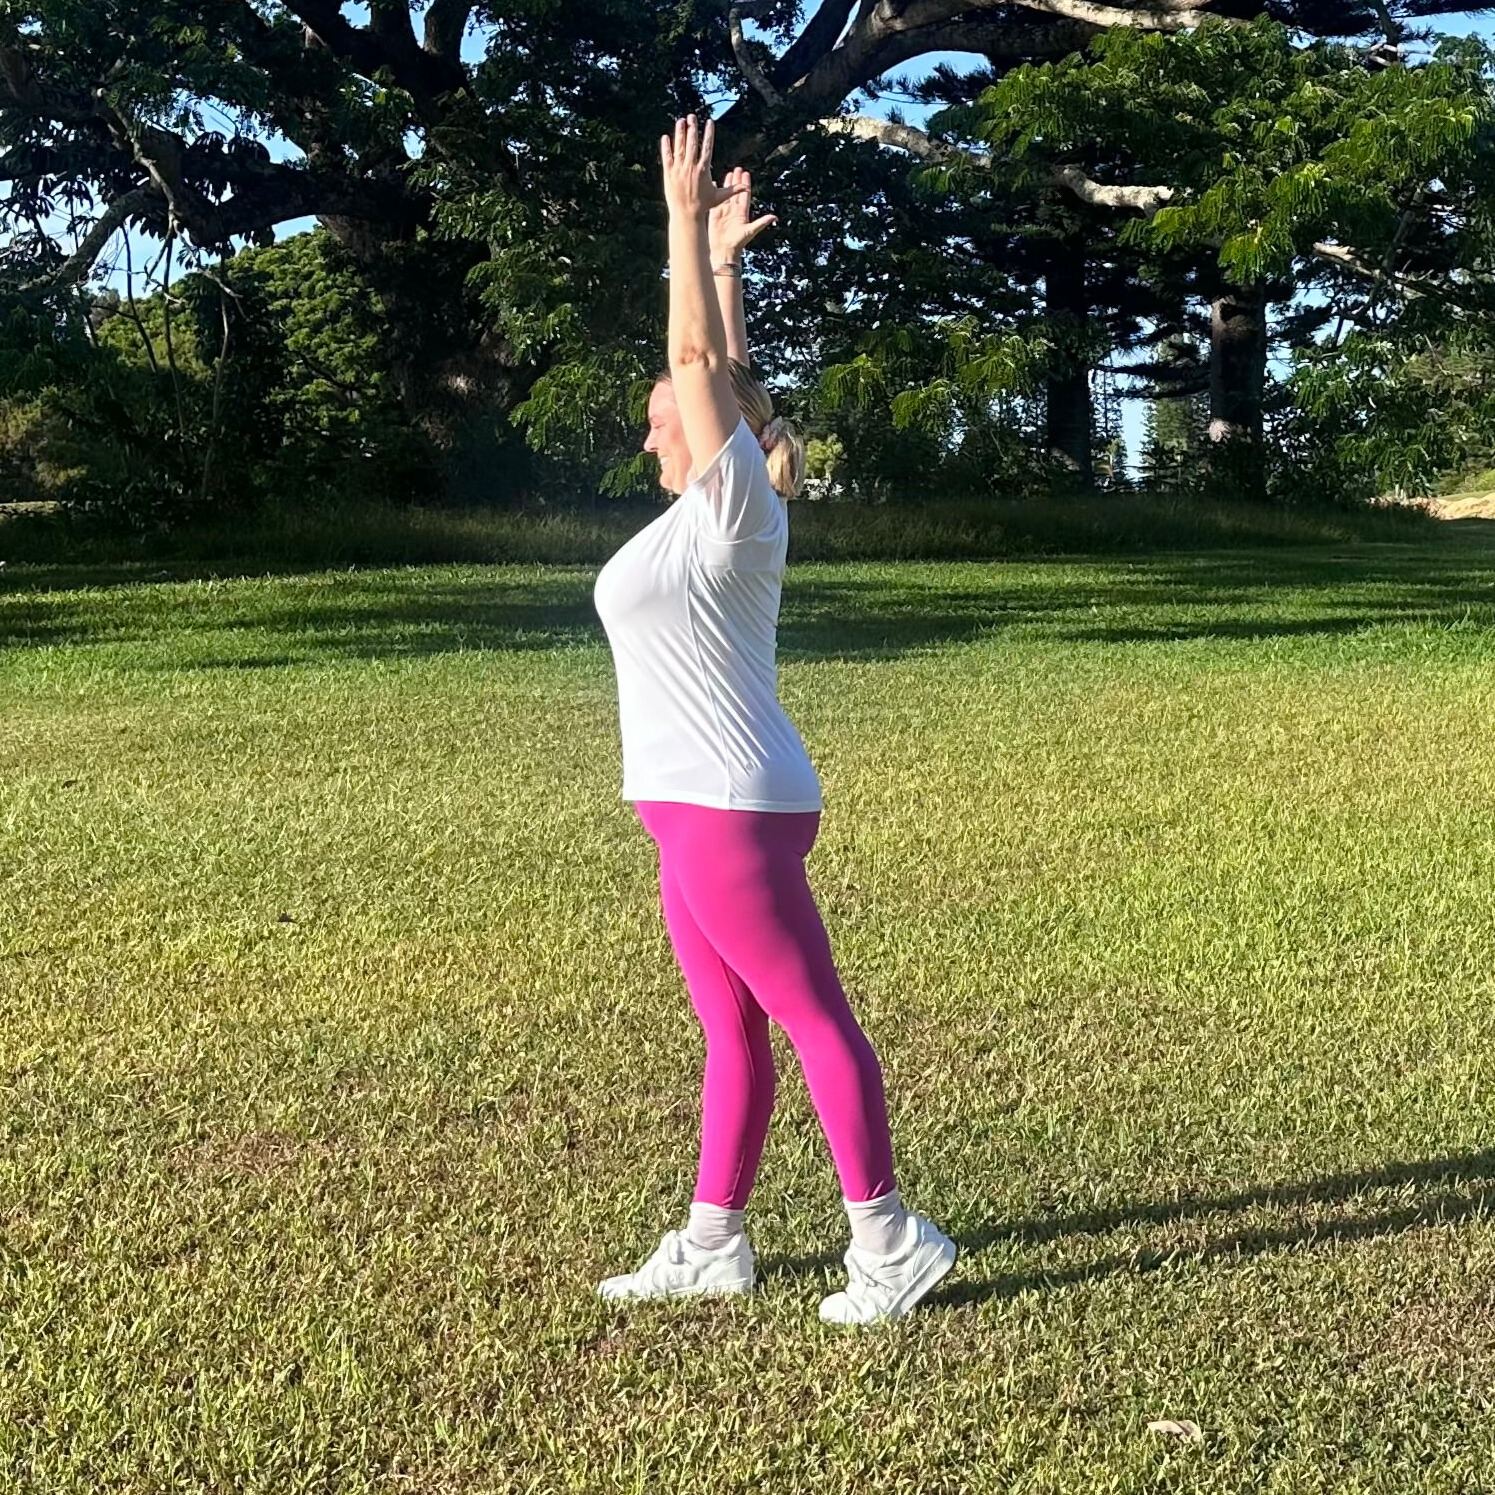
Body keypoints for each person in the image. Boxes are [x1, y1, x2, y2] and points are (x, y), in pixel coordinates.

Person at [592, 116, 955, 1325]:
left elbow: (702, 366)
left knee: (809, 1019)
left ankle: (889, 1239)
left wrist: (677, 225)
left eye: (665, 412)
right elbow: (727, 374)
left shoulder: (736, 505)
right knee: (731, 1030)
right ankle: (713, 1241)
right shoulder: (707, 509)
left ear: (719, 440)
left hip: (730, 807)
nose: (653, 425)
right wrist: (722, 261)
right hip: (689, 806)